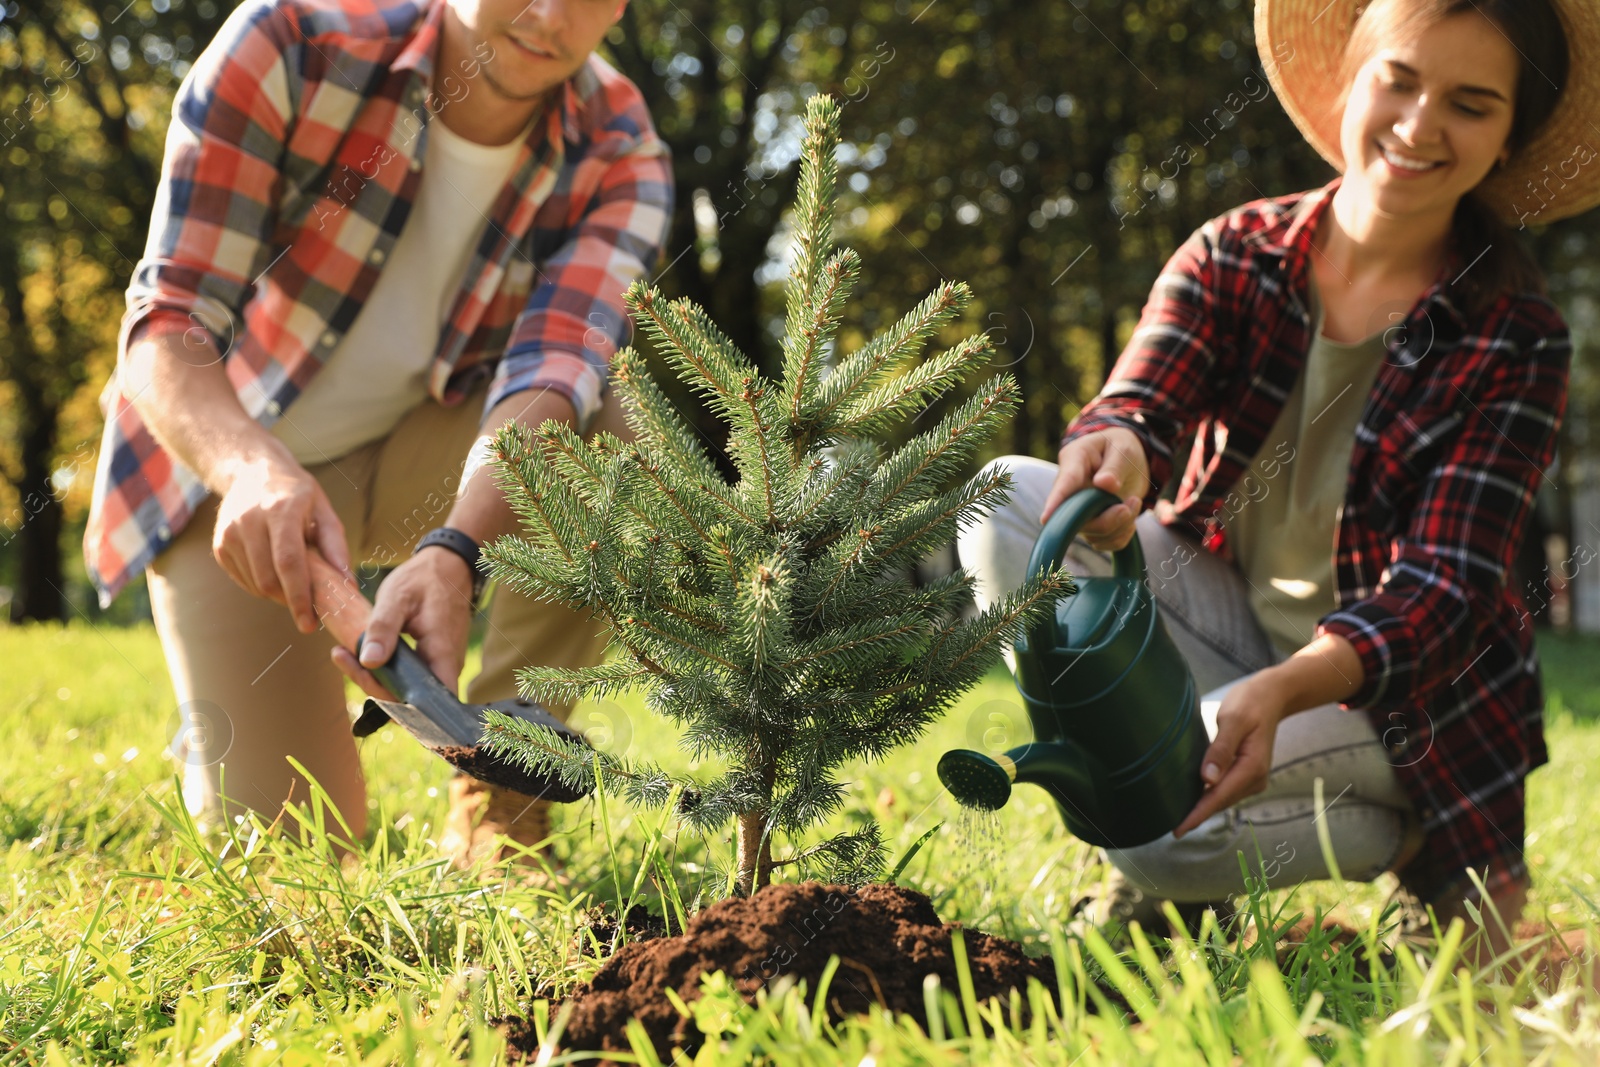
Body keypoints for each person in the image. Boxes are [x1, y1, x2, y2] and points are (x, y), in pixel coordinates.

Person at [959, 0, 1597, 966]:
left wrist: (1288, 687)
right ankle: (1147, 788)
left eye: (1471, 104)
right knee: (1004, 495)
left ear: (1507, 141)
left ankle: (1412, 844)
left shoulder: (1517, 333)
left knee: (1165, 833)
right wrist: (1121, 441)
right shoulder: (1236, 251)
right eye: (1401, 80)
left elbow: (1448, 588)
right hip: (1224, 625)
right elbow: (1140, 400)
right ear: (1351, 78)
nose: (1421, 125)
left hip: (1386, 698)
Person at [82, 0, 671, 866]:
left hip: (418, 465)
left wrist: (455, 550)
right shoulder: (292, 43)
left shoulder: (618, 144)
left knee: (615, 416)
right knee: (298, 861)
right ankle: (234, 723)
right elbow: (170, 320)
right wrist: (249, 469)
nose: (551, 15)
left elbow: (552, 373)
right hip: (225, 483)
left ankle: (503, 804)